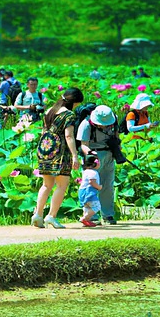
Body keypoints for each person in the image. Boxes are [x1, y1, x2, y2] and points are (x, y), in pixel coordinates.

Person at [32, 88, 84, 229]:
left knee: (46, 184)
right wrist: (74, 155)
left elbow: (44, 131)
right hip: (60, 151)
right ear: (74, 102)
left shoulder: (50, 110)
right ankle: (51, 216)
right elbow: (68, 136)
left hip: (45, 149)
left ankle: (38, 214)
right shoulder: (69, 115)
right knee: (62, 184)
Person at [77, 105, 119, 225]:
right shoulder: (86, 124)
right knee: (91, 187)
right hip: (93, 158)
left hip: (109, 154)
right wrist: (91, 154)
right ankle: (91, 216)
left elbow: (116, 136)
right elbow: (83, 144)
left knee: (108, 186)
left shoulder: (114, 120)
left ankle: (108, 215)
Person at [78, 154, 102, 227]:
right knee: (97, 206)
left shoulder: (85, 171)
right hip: (89, 192)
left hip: (82, 191)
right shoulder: (93, 172)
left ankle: (87, 221)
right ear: (95, 163)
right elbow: (91, 182)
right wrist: (99, 187)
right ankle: (85, 218)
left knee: (87, 207)